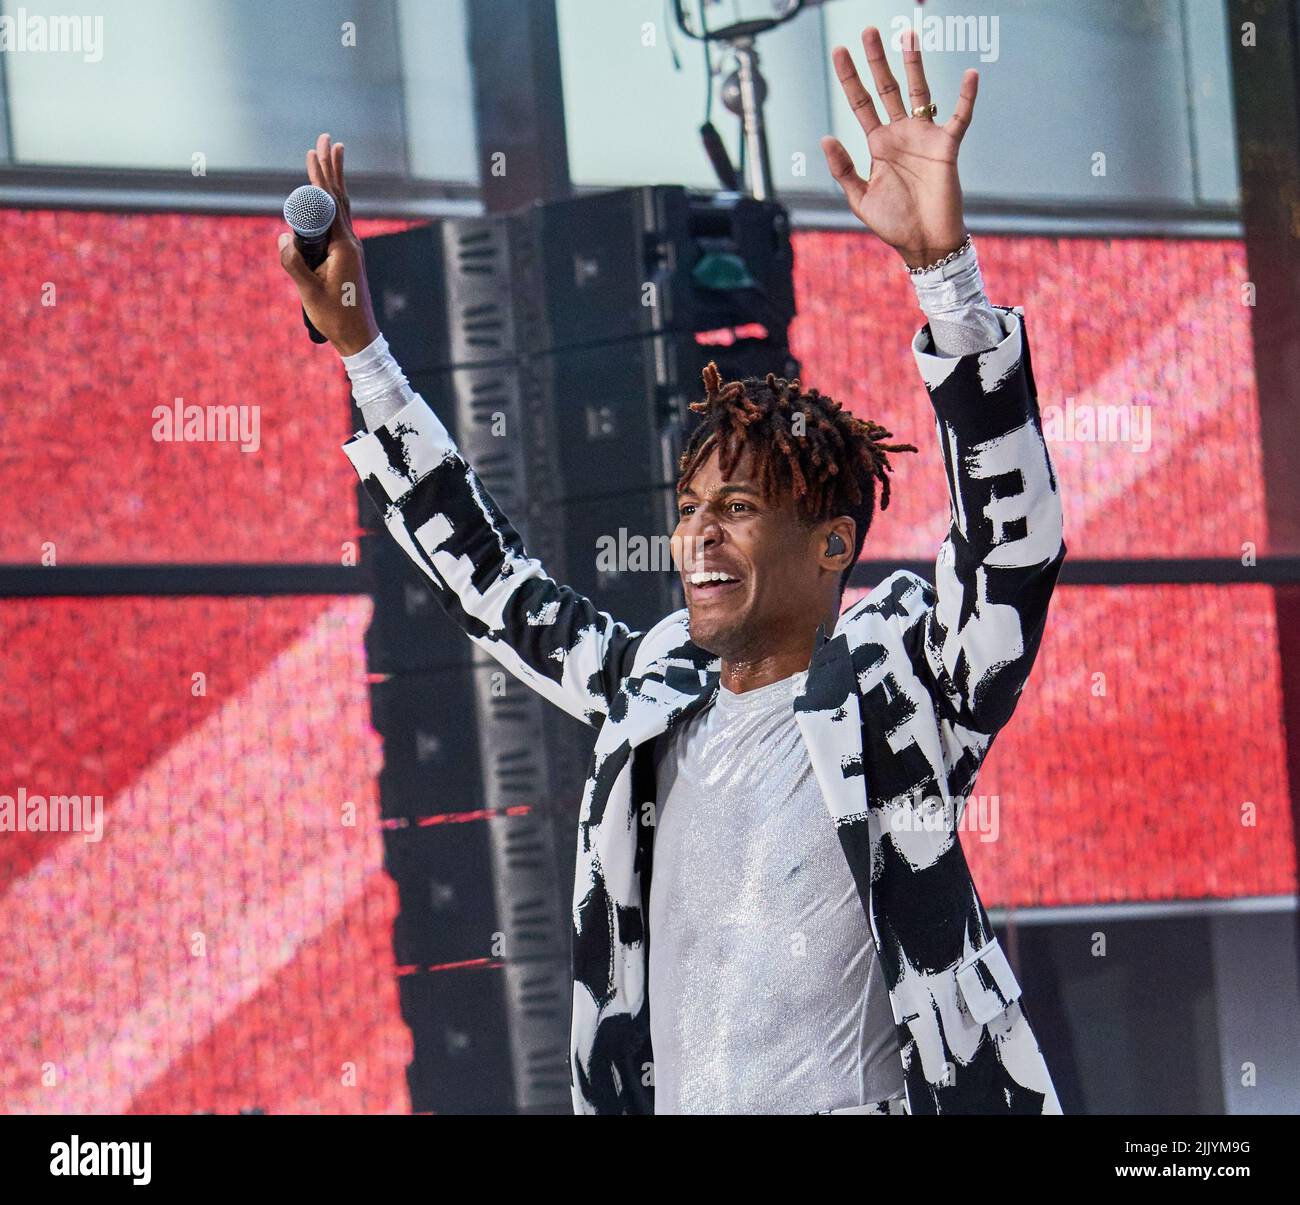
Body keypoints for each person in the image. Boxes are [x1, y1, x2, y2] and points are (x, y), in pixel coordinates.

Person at [279, 27, 1066, 1115]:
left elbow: (1009, 546)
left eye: (738, 509)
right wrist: (364, 350)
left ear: (832, 543)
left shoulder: (900, 694)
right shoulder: (652, 694)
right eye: (691, 509)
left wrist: (947, 278)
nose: (699, 535)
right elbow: (492, 587)